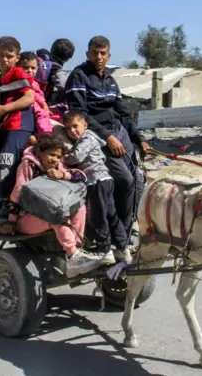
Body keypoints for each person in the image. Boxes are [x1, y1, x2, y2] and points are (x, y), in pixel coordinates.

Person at [65, 35, 150, 241]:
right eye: (95, 52)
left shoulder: (111, 81)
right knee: (125, 180)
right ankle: (119, 233)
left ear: (109, 55)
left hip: (120, 133)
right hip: (97, 136)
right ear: (88, 54)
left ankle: (128, 228)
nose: (99, 57)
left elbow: (123, 113)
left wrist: (140, 139)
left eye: (103, 53)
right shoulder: (79, 77)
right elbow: (80, 114)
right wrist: (107, 138)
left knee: (138, 180)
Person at [8, 133, 101, 277]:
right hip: (26, 219)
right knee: (54, 215)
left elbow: (81, 176)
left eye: (58, 156)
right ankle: (73, 254)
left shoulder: (58, 166)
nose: (55, 160)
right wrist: (12, 222)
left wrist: (62, 175)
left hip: (49, 212)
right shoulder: (29, 165)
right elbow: (17, 194)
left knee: (80, 207)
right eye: (51, 155)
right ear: (39, 152)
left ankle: (76, 251)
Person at [62, 110, 131, 265]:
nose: (72, 131)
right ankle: (122, 248)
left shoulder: (87, 138)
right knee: (111, 215)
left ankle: (104, 250)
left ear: (85, 125)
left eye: (75, 126)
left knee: (98, 216)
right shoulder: (88, 139)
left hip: (96, 182)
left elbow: (77, 157)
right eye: (68, 128)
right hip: (105, 181)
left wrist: (63, 157)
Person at [0, 36, 37, 224]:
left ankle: (7, 207)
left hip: (19, 126)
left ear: (17, 58)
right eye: (1, 56)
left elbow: (29, 98)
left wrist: (3, 110)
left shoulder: (18, 74)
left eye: (9, 56)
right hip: (3, 127)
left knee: (7, 160)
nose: (5, 60)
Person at [36, 38, 75, 105]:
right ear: (69, 58)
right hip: (46, 106)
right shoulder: (57, 71)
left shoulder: (36, 61)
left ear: (52, 49)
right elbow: (62, 87)